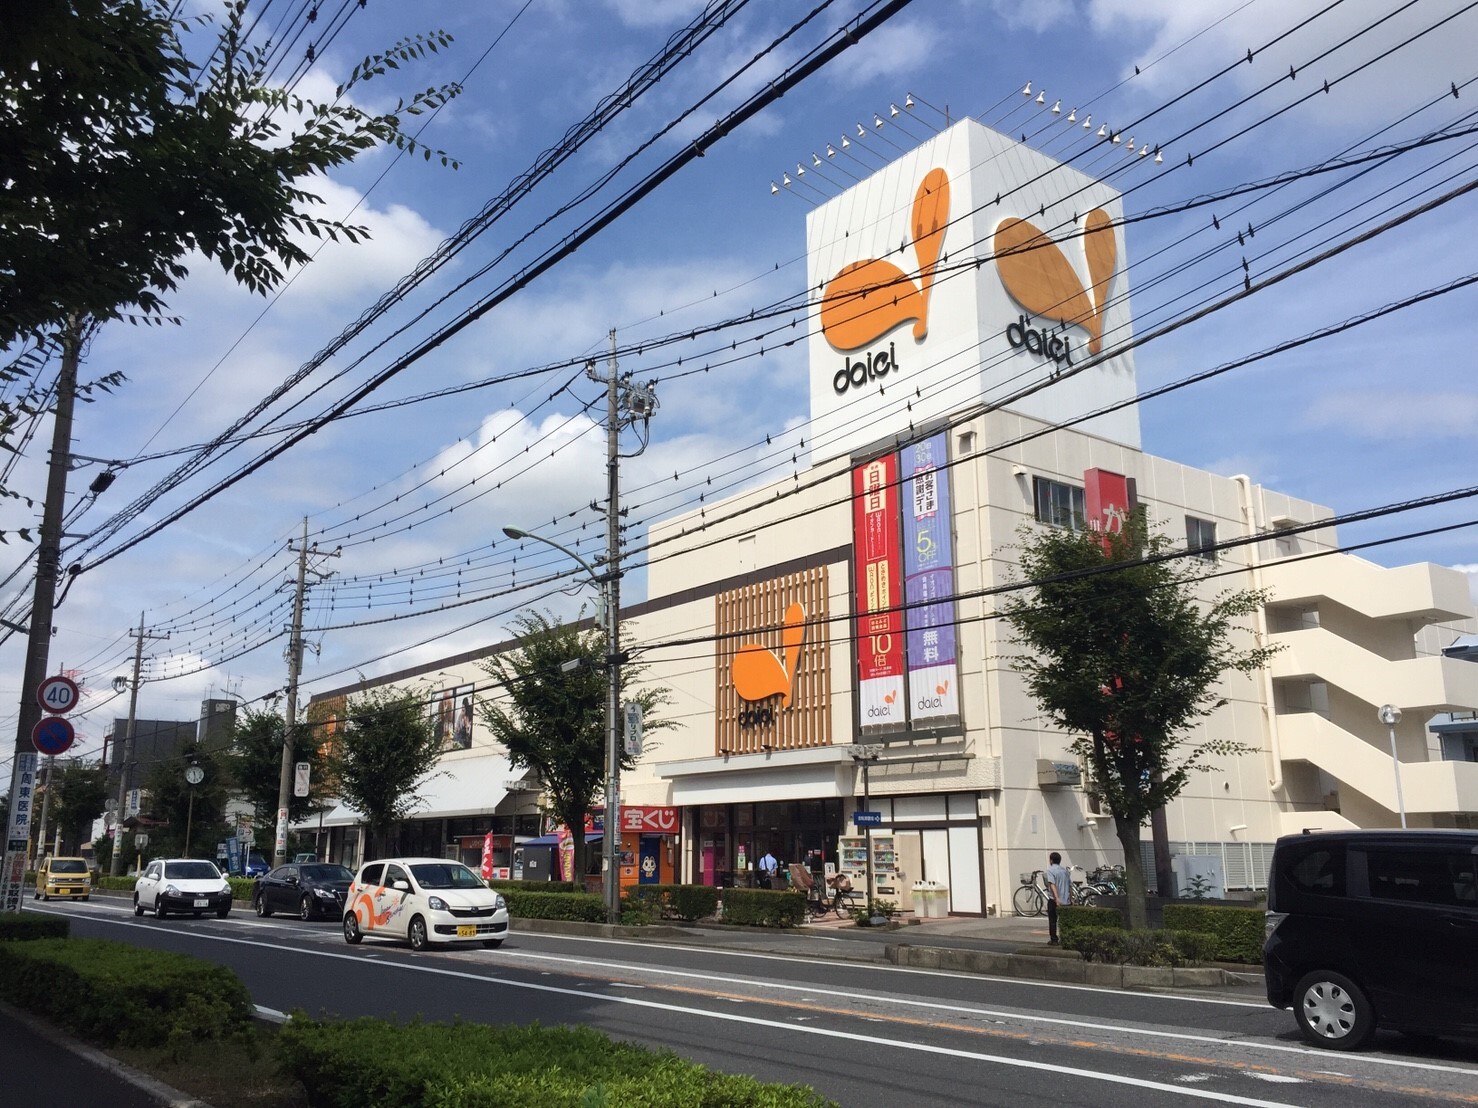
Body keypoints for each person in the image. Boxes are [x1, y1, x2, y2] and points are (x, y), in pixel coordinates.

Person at [1044, 851, 1072, 944]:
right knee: (1065, 921)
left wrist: (1056, 898)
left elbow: (1052, 885)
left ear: (1051, 860)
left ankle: (1054, 939)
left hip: (1054, 900)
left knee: (1053, 920)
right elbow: (1070, 886)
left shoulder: (1050, 870)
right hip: (1066, 900)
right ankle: (1066, 939)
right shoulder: (1065, 871)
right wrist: (1070, 898)